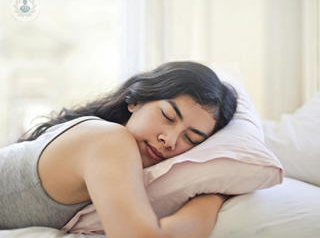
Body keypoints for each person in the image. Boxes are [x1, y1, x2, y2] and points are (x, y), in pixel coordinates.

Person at [0, 61, 237, 238]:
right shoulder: (109, 139)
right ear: (135, 101)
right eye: (167, 116)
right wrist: (214, 195)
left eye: (191, 138)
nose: (170, 140)